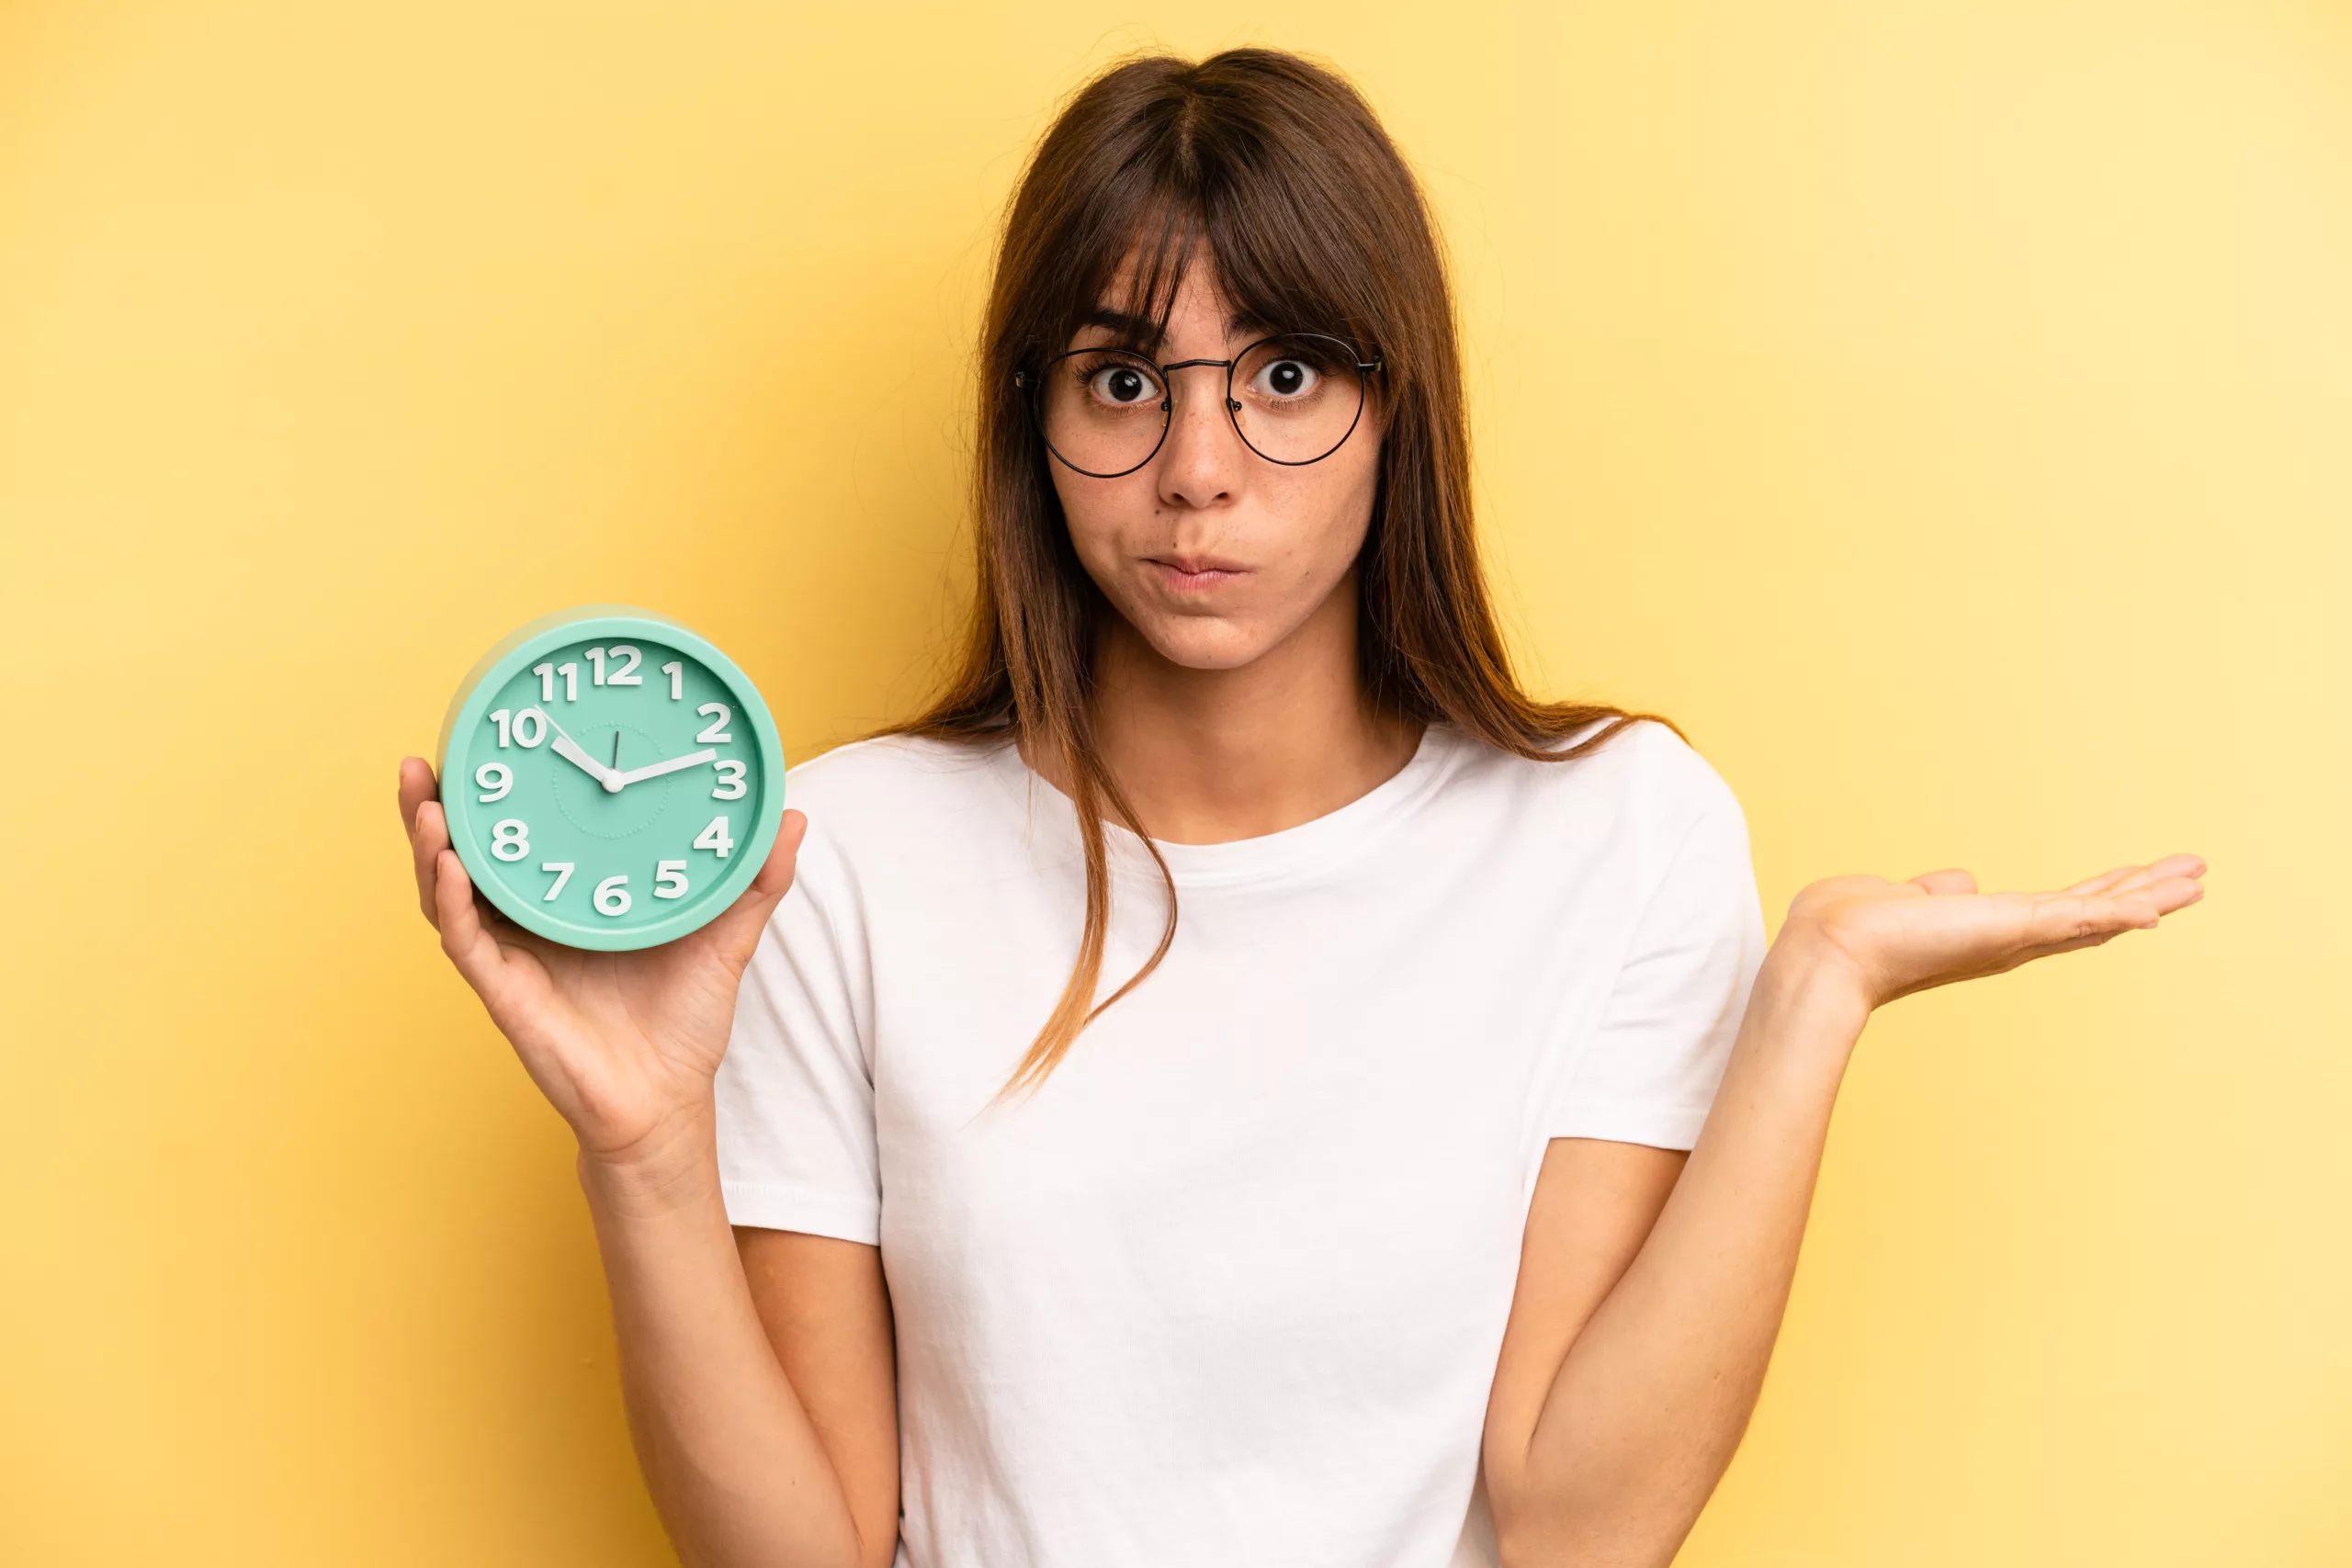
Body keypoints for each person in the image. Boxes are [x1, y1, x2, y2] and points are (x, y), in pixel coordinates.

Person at [395, 48, 2204, 1568]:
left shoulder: (1615, 835)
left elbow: (1575, 1528)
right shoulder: (840, 851)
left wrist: (1811, 989)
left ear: (1390, 405)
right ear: (1029, 418)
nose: (1195, 474)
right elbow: (802, 1547)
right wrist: (643, 1154)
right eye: (1121, 381)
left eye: (1281, 377)